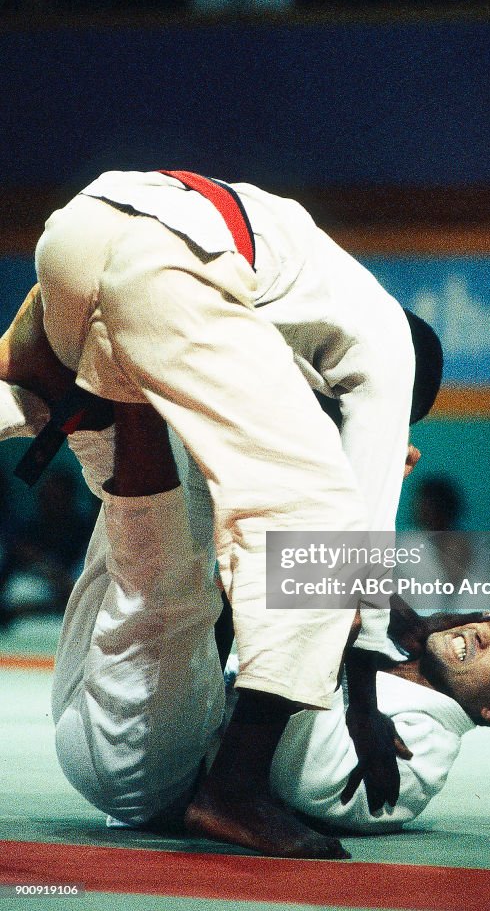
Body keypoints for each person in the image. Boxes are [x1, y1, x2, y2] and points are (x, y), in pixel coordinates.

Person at [0, 169, 442, 857]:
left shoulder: (296, 300)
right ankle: (235, 788)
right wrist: (365, 698)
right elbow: (358, 541)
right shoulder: (387, 349)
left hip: (80, 229)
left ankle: (36, 380)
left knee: (121, 429)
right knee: (322, 522)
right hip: (167, 266)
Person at [47, 402, 490, 838]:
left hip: (148, 768)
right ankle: (63, 374)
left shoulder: (419, 763)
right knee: (162, 473)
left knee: (156, 521)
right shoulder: (394, 644)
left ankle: (123, 348)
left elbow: (284, 759)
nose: (480, 634)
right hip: (105, 697)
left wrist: (349, 509)